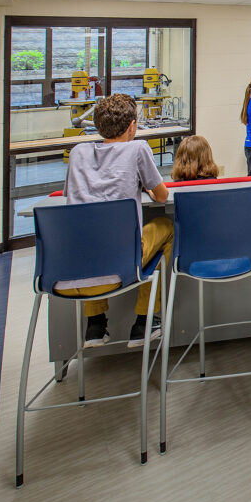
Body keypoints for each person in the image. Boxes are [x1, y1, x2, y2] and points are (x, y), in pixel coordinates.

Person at [59, 93, 173, 348]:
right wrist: (147, 188)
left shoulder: (78, 153)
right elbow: (163, 196)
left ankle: (96, 324)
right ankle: (145, 320)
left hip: (74, 264)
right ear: (133, 126)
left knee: (91, 236)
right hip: (122, 262)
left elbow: (74, 196)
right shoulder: (138, 148)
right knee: (165, 227)